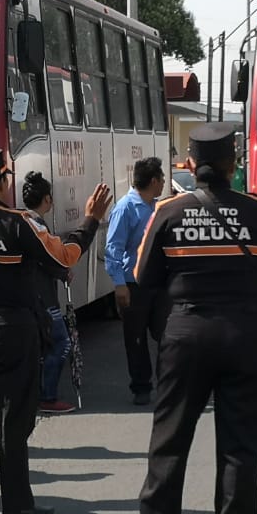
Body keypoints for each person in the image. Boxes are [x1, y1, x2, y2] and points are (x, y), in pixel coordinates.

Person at [118, 123, 257, 514]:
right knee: (240, 447)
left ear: (187, 165)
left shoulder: (168, 211)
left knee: (169, 440)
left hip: (185, 333)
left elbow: (144, 276)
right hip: (245, 333)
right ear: (233, 165)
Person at [0, 149, 111, 514]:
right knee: (14, 420)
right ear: (2, 181)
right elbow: (64, 258)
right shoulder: (20, 223)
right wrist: (91, 221)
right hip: (12, 330)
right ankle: (15, 505)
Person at [105, 157, 169, 406]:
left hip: (159, 283)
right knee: (136, 339)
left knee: (167, 335)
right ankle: (141, 387)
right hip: (133, 284)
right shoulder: (125, 208)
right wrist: (119, 284)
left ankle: (168, 384)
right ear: (153, 181)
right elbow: (113, 248)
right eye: (162, 179)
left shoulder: (158, 208)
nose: (164, 183)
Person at [20, 171, 76, 414]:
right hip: (44, 297)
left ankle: (36, 393)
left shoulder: (22, 220)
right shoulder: (38, 225)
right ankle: (48, 396)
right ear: (47, 199)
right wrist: (63, 271)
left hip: (30, 296)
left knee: (39, 347)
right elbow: (47, 258)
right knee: (62, 343)